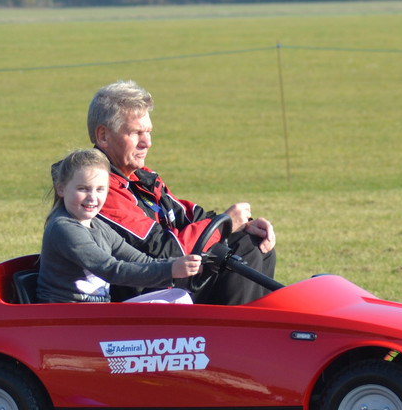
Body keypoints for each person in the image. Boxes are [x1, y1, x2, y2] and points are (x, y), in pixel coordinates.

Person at [88, 80, 277, 305]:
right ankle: (238, 337)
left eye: (148, 132)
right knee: (244, 249)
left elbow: (188, 215)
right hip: (141, 294)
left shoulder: (139, 178)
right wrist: (225, 224)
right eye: (136, 133)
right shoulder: (98, 189)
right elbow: (163, 251)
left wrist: (240, 223)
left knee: (255, 241)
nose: (147, 142)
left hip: (166, 280)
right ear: (103, 136)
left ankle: (254, 332)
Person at [36, 149, 201, 303]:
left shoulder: (99, 226)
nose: (92, 198)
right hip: (67, 319)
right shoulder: (64, 228)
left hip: (96, 316)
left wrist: (183, 265)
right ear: (61, 189)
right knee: (171, 303)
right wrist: (170, 270)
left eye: (100, 189)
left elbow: (141, 260)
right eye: (83, 189)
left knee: (178, 297)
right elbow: (111, 269)